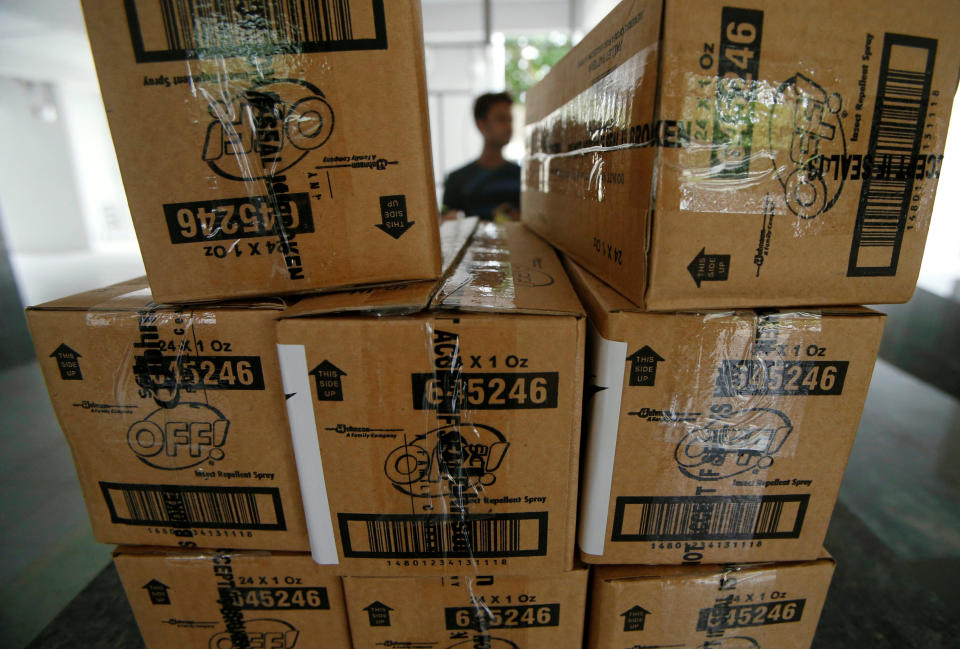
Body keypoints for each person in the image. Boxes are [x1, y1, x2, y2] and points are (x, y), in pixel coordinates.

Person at [442, 92, 521, 222]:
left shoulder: (522, 176)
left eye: (510, 119)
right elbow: (446, 222)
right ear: (481, 124)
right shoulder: (457, 180)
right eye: (501, 119)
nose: (509, 126)